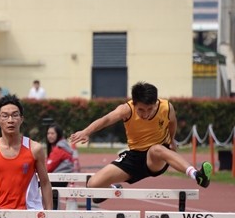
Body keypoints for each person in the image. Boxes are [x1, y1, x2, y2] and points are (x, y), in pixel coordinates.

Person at [69, 81, 212, 202]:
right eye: (141, 110)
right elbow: (106, 119)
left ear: (156, 103)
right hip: (134, 156)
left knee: (156, 149)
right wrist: (86, 131)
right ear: (134, 103)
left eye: (150, 109)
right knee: (93, 185)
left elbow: (172, 122)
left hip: (155, 158)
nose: (146, 114)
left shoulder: (166, 107)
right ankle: (111, 188)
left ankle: (197, 175)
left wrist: (172, 139)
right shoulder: (126, 109)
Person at [45, 124, 77, 188]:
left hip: (56, 180)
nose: (49, 136)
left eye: (52, 133)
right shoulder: (63, 146)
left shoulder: (59, 149)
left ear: (58, 134)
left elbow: (48, 168)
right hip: (60, 180)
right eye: (48, 133)